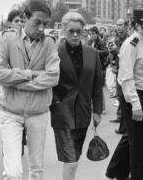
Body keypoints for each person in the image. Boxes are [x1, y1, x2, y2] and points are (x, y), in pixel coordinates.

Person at [0, 0, 60, 180]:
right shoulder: (6, 39)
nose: (41, 28)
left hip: (38, 112)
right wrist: (31, 74)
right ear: (24, 18)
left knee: (37, 169)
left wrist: (16, 81)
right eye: (37, 22)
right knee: (13, 172)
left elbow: (53, 77)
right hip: (10, 112)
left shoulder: (50, 43)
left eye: (45, 24)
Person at [50, 12, 103, 180]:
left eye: (78, 31)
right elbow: (47, 81)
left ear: (83, 31)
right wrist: (55, 102)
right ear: (64, 30)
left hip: (83, 112)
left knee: (75, 158)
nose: (75, 35)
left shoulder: (92, 53)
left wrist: (97, 110)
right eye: (71, 31)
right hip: (62, 114)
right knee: (71, 160)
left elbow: (97, 84)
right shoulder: (54, 53)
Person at [106, 8, 143, 180]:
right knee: (140, 146)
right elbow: (126, 78)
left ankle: (116, 171)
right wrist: (136, 105)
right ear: (137, 25)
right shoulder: (131, 44)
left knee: (132, 138)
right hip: (135, 97)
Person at [108, 19, 129, 135]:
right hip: (118, 71)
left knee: (125, 98)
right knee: (120, 97)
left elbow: (126, 55)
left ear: (126, 26)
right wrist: (113, 64)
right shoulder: (117, 39)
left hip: (127, 73)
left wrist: (116, 49)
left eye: (121, 25)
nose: (118, 27)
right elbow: (113, 54)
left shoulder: (129, 39)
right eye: (117, 25)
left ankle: (125, 127)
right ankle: (122, 124)